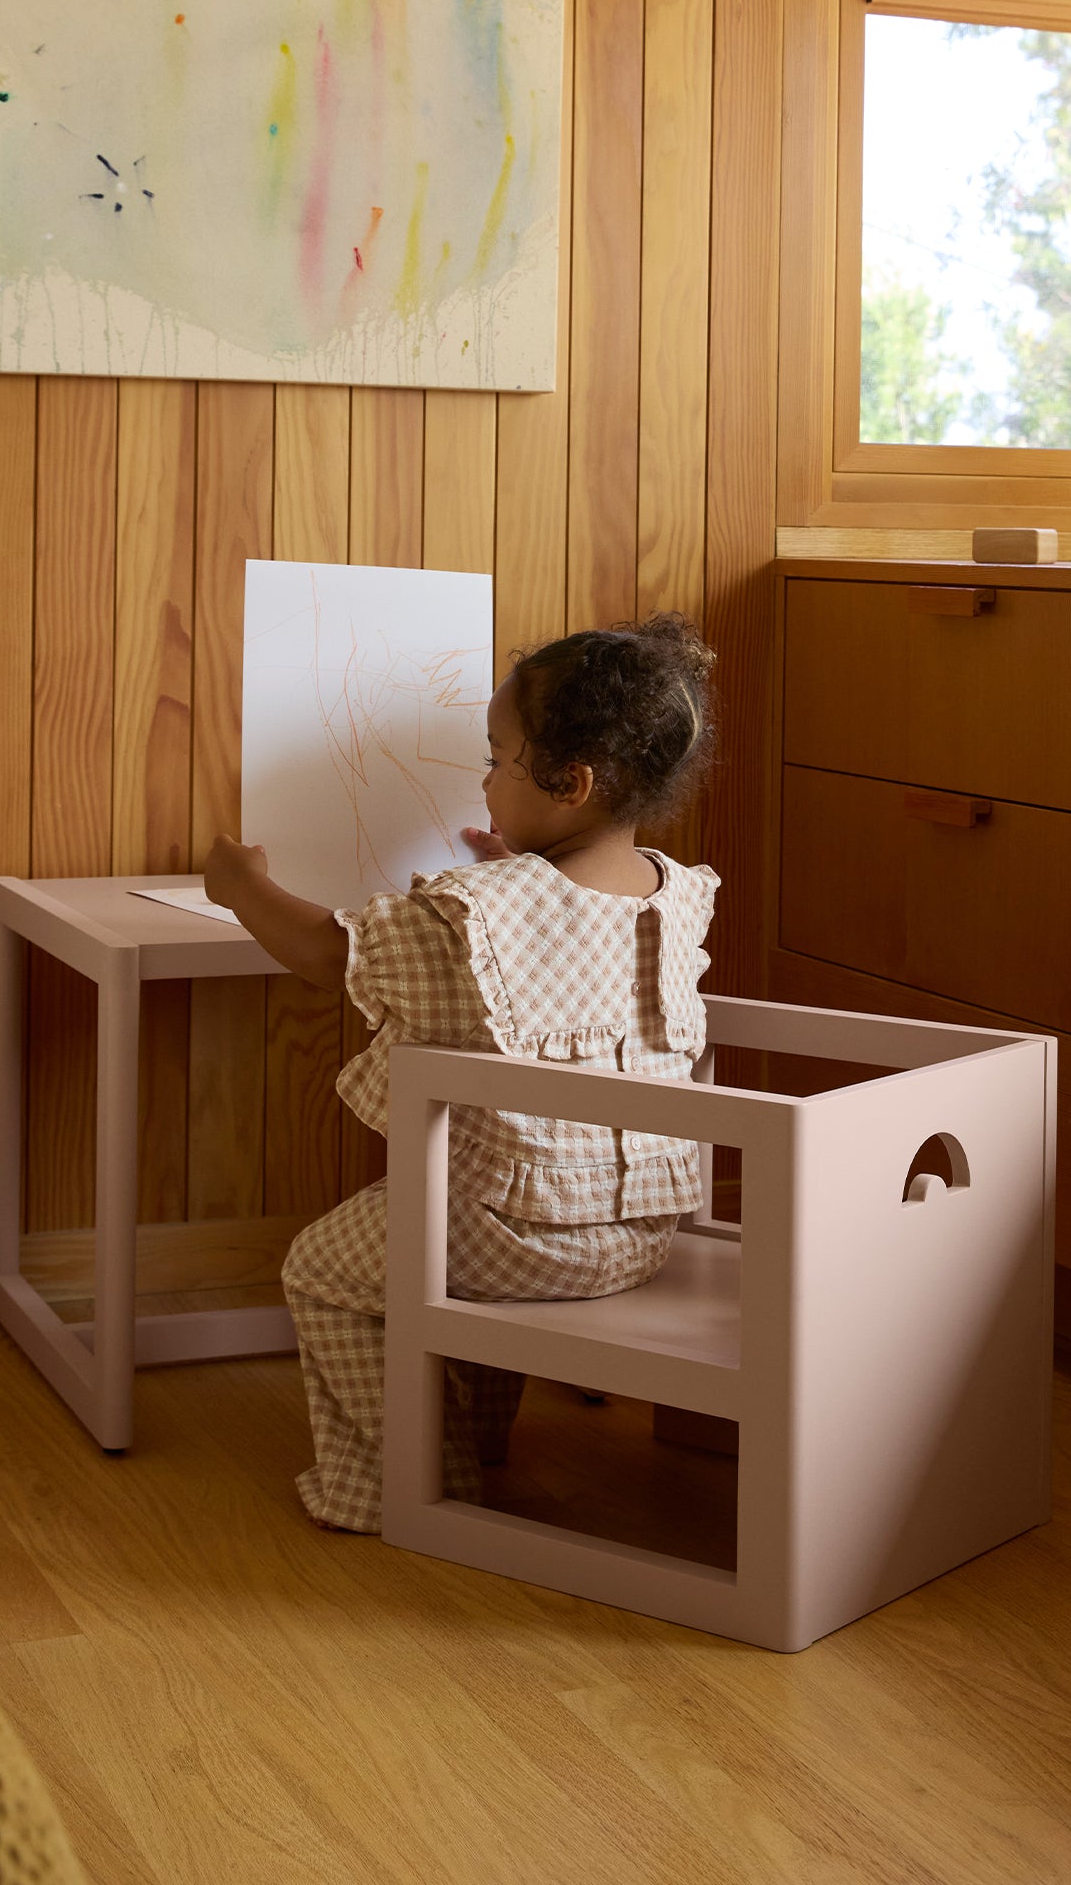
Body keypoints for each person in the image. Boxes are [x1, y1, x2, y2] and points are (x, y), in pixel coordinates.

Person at [204, 613, 720, 1533]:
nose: (482, 780)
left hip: (519, 1236)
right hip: (643, 1225)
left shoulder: (473, 910)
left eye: (495, 758)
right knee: (470, 1212)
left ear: (569, 782)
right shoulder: (674, 893)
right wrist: (517, 870)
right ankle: (474, 1442)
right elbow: (565, 934)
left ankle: (395, 1486)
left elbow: (330, 954)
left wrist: (243, 887)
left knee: (324, 1269)